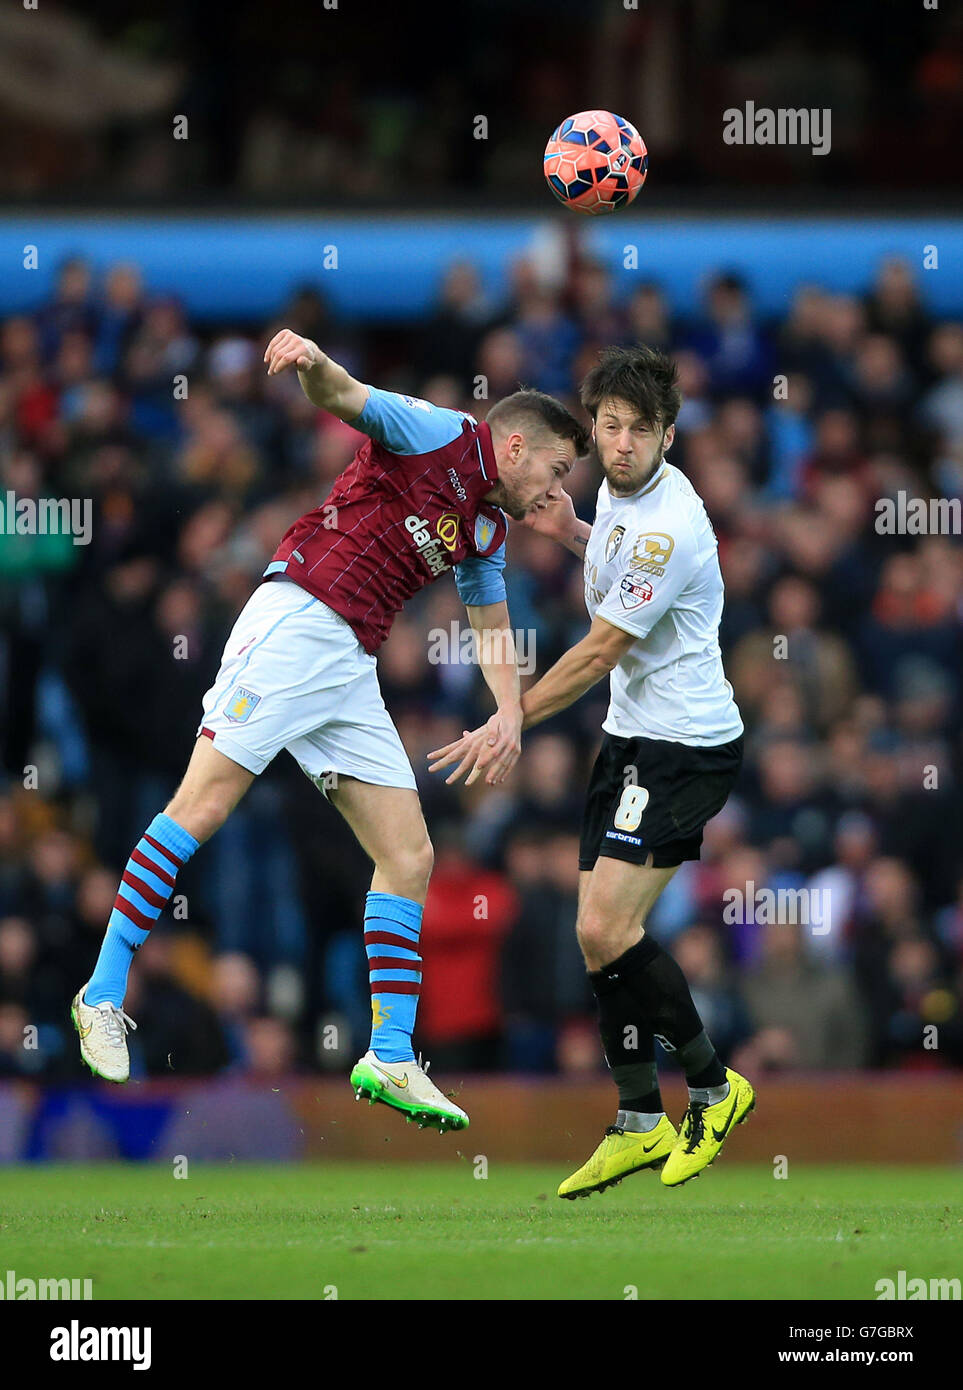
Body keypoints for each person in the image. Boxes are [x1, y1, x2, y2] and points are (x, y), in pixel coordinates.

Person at [72, 328, 587, 1135]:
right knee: (202, 806)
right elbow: (347, 398)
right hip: (298, 618)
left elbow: (491, 626)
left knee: (409, 854)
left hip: (350, 662)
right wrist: (312, 363)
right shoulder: (440, 433)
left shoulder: (488, 525)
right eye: (557, 472)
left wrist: (510, 711)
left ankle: (388, 1052)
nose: (557, 491)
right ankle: (102, 992)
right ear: (515, 444)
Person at [431, 345, 754, 1186]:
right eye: (606, 427)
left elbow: (602, 646)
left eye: (636, 432)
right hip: (631, 738)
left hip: (684, 746)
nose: (617, 445)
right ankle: (640, 1116)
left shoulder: (668, 529)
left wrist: (511, 716)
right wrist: (573, 529)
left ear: (668, 437)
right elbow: (607, 557)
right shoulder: (616, 493)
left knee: (607, 929)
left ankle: (714, 1089)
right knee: (595, 936)